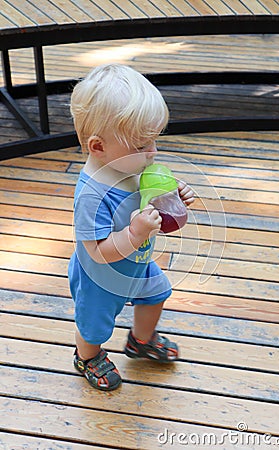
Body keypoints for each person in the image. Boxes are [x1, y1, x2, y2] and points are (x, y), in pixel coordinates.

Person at [68, 63, 194, 391]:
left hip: (138, 263)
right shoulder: (92, 195)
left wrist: (171, 197)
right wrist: (135, 234)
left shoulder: (129, 165)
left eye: (153, 141)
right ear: (98, 147)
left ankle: (140, 341)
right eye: (141, 146)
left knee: (157, 294)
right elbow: (95, 253)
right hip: (100, 276)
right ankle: (88, 356)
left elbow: (148, 197)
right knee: (93, 323)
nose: (153, 153)